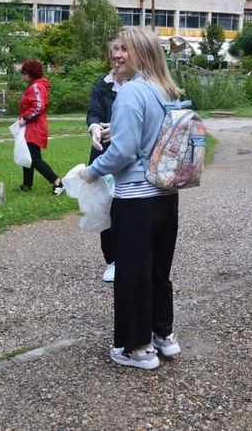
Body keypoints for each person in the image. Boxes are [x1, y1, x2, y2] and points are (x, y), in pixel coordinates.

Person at [79, 28, 183, 370]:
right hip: (166, 195)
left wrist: (92, 172)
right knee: (157, 270)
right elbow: (150, 137)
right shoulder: (166, 90)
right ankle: (162, 336)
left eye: (124, 49)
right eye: (116, 48)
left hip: (136, 196)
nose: (116, 54)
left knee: (131, 273)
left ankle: (136, 348)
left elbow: (122, 152)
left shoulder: (131, 92)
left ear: (140, 53)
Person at [86, 49, 124, 283]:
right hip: (103, 153)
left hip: (128, 157)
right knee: (105, 208)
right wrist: (94, 128)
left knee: (126, 207)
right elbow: (93, 113)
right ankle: (111, 260)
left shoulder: (141, 86)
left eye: (121, 56)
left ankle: (130, 256)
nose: (117, 61)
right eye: (113, 57)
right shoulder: (102, 86)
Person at [17, 59, 64, 195]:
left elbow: (38, 106)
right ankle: (27, 184)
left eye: (25, 73)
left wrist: (24, 119)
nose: (23, 76)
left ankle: (57, 182)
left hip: (34, 127)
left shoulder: (36, 87)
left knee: (34, 158)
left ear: (31, 73)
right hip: (31, 127)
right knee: (27, 155)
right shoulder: (35, 85)